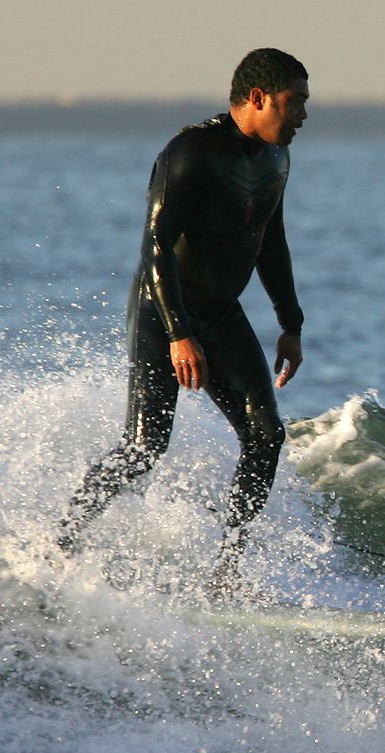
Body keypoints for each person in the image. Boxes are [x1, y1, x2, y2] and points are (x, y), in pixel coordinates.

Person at [56, 48, 311, 600]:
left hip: (221, 313)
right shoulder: (192, 152)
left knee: (266, 436)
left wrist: (289, 322)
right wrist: (178, 333)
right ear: (260, 98)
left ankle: (225, 572)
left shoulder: (276, 160)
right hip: (161, 311)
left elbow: (272, 240)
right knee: (146, 447)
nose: (302, 116)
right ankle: (63, 541)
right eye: (295, 104)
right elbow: (156, 247)